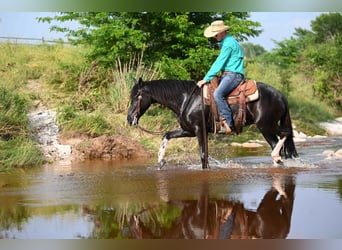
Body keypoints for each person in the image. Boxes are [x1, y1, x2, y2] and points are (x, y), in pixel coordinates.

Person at [197, 20, 244, 134]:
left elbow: (219, 63)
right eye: (214, 34)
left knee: (217, 94)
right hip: (228, 73)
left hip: (233, 74)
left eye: (216, 34)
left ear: (223, 32)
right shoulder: (226, 42)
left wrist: (206, 78)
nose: (215, 36)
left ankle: (229, 124)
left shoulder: (228, 43)